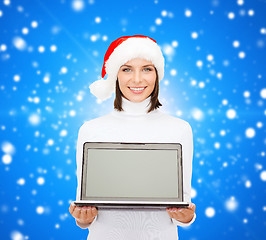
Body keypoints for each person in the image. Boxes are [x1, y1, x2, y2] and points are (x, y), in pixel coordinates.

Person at [69, 35, 196, 239]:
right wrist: (82, 217)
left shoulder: (179, 129)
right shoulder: (90, 129)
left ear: (157, 74)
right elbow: (86, 211)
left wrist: (187, 216)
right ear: (115, 75)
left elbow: (181, 207)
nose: (137, 79)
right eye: (127, 69)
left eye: (147, 69)